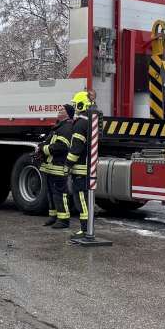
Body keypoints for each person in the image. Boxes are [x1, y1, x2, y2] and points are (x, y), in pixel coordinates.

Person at [38, 103, 74, 229]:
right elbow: (50, 142)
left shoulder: (67, 128)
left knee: (60, 194)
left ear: (68, 113)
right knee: (51, 193)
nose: (59, 110)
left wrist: (44, 149)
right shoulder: (59, 127)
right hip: (51, 167)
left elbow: (61, 147)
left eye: (62, 109)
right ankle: (53, 217)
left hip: (58, 167)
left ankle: (63, 220)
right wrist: (41, 147)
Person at [66, 89, 93, 237]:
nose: (75, 108)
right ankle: (86, 228)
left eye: (76, 105)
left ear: (81, 106)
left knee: (81, 199)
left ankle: (84, 229)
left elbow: (75, 148)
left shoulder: (80, 124)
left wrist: (67, 165)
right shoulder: (88, 122)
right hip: (86, 168)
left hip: (80, 170)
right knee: (83, 199)